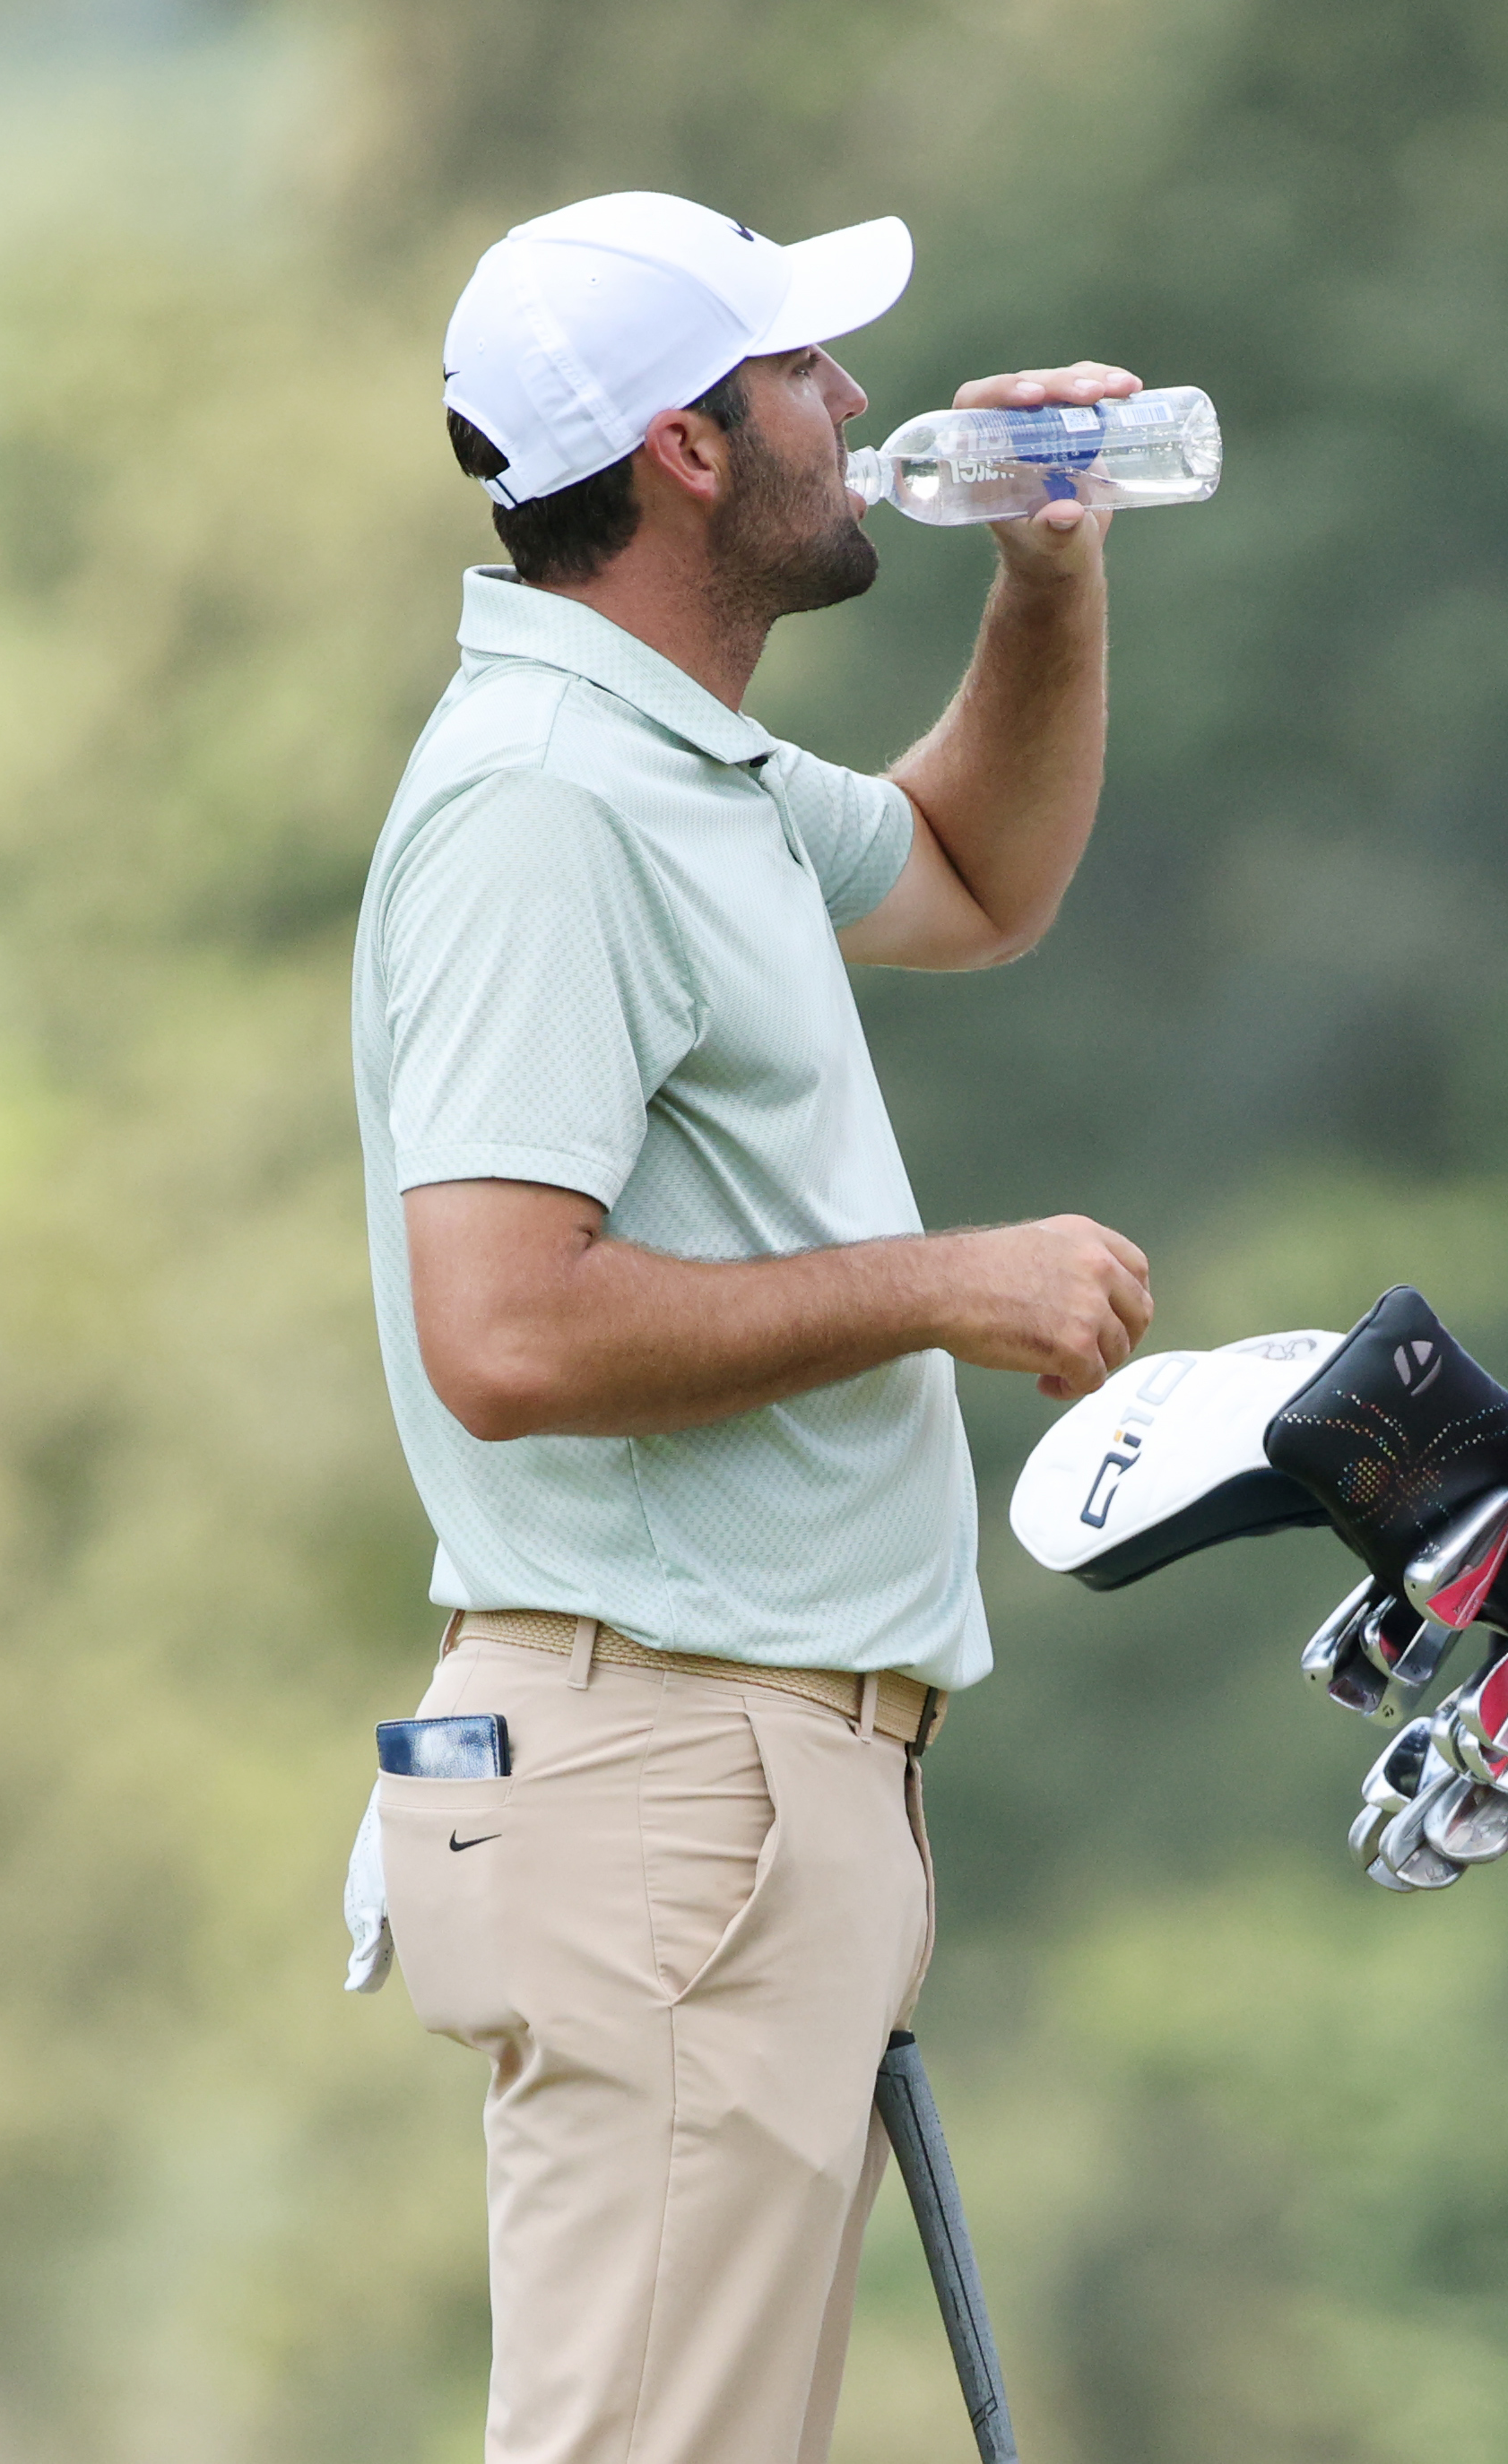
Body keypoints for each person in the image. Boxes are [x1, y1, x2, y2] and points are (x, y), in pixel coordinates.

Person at [348, 192, 1153, 2464]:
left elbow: (980, 874)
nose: (858, 405)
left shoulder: (670, 763)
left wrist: (1050, 572)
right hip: (662, 1774)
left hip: (728, 1778)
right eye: (808, 374)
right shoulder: (545, 805)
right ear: (694, 452)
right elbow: (502, 1328)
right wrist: (945, 1282)